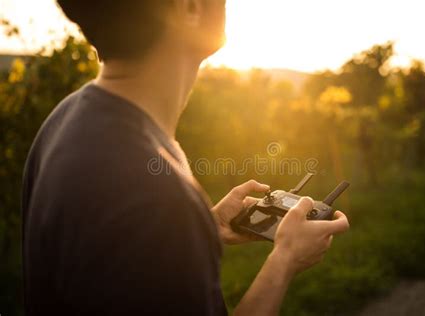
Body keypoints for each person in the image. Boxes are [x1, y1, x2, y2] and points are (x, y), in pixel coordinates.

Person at [21, 0, 350, 315]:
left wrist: (204, 231)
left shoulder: (62, 121)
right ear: (190, 6)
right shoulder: (159, 201)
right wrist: (285, 259)